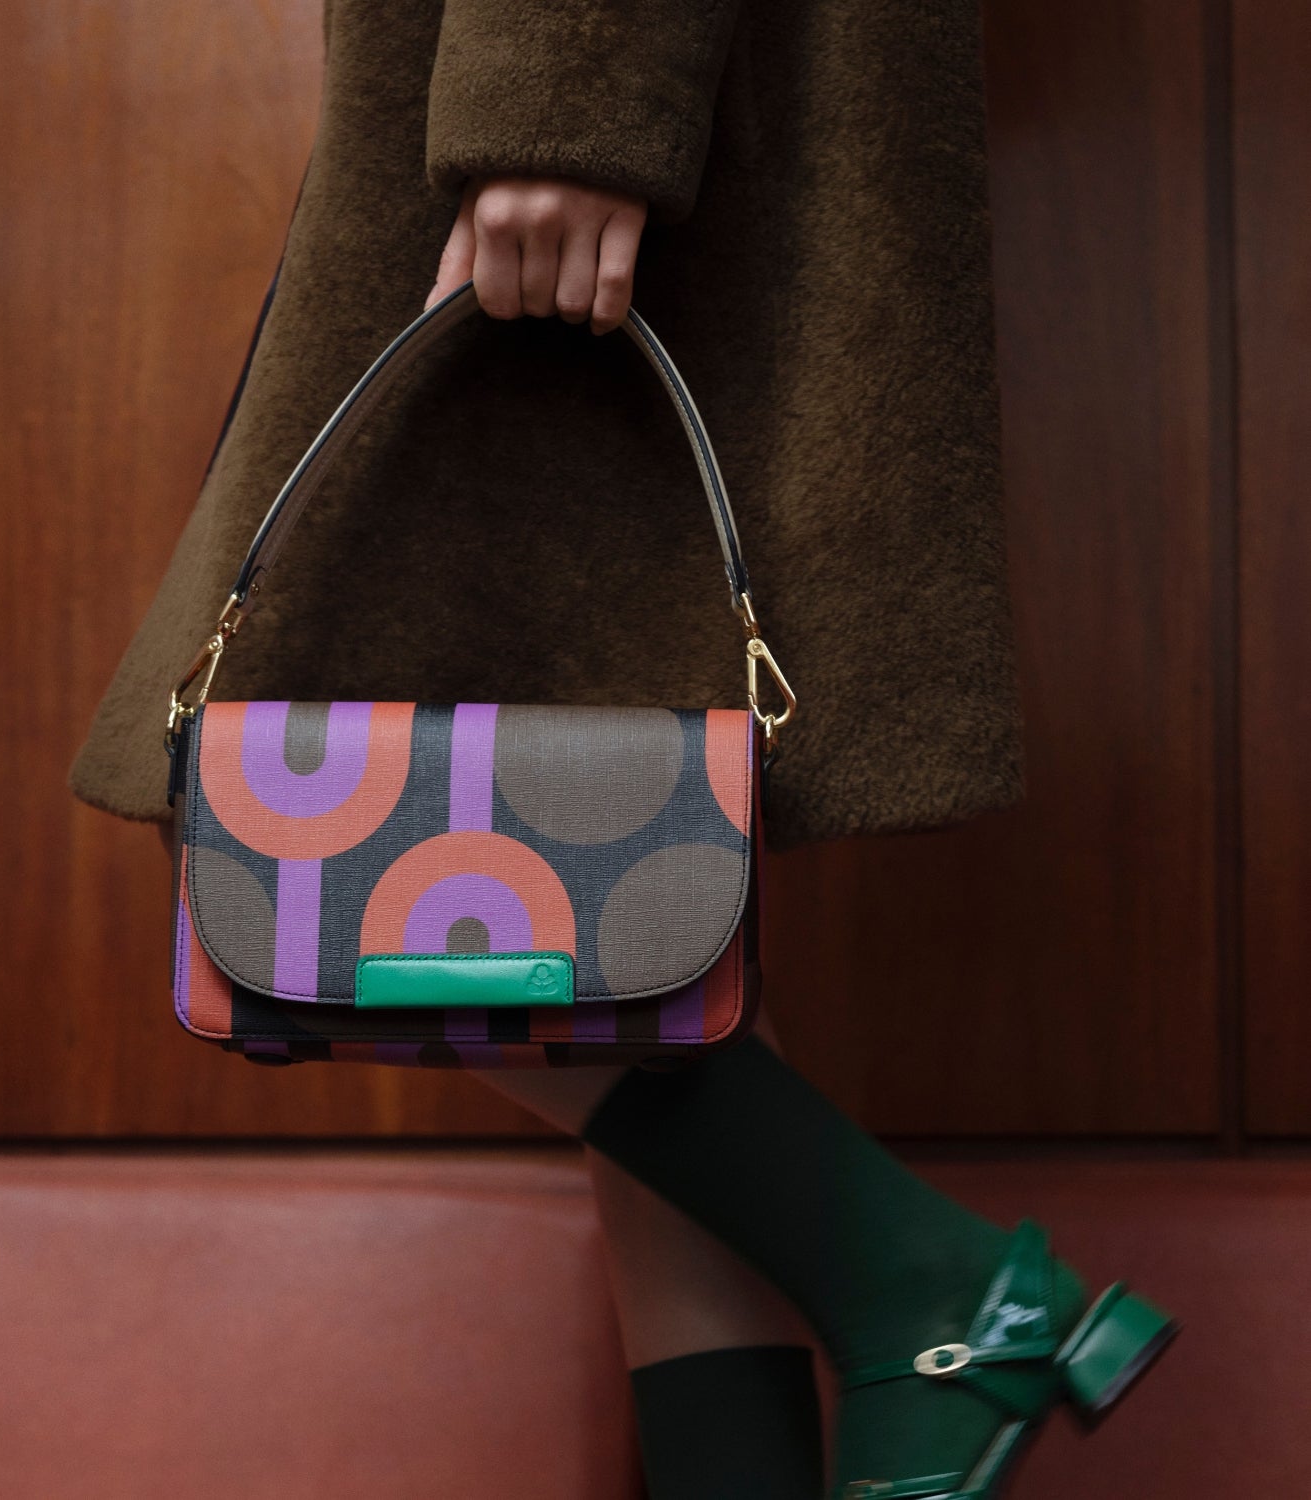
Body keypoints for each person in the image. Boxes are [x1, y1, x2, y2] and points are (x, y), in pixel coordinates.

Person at [69, 3, 1176, 1495]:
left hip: (608, 111)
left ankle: (933, 1290)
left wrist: (566, 98)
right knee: (622, 914)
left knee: (303, 810)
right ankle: (922, 1318)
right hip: (641, 106)